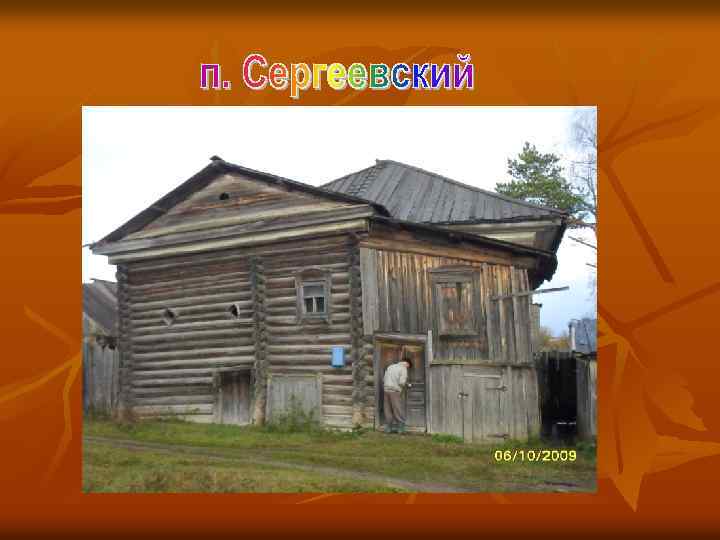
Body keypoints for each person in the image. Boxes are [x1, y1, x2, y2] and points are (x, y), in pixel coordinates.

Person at [383, 356, 413, 434]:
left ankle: (388, 428)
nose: (408, 368)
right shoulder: (403, 368)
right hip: (395, 391)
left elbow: (384, 379)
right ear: (407, 364)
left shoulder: (390, 366)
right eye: (408, 367)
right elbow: (401, 382)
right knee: (398, 409)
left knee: (387, 409)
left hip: (386, 390)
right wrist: (408, 385)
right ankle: (401, 429)